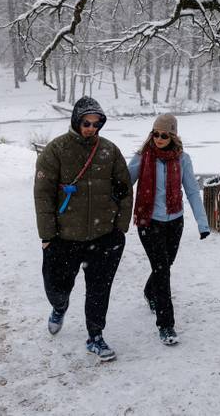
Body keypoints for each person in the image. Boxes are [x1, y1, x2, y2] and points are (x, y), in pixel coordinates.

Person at [34, 96, 133, 362]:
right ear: (76, 121)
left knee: (99, 290)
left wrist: (120, 228)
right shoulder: (56, 150)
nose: (91, 128)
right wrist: (47, 235)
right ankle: (59, 306)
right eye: (86, 123)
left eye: (96, 123)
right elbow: (43, 195)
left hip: (104, 237)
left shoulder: (109, 151)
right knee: (56, 286)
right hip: (64, 238)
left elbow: (125, 190)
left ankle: (95, 336)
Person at [128, 113, 210, 346]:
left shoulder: (183, 159)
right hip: (149, 221)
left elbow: (192, 191)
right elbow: (123, 184)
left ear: (173, 136)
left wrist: (202, 223)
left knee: (165, 264)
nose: (159, 139)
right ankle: (166, 325)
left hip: (175, 221)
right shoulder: (142, 157)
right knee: (162, 270)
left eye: (164, 135)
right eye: (156, 134)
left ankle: (149, 291)